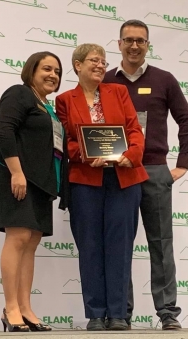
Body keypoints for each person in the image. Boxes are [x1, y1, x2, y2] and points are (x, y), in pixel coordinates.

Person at [104, 20, 188, 330]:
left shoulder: (164, 79)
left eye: (140, 41)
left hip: (155, 170)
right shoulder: (104, 81)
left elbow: (187, 121)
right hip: (118, 171)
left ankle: (168, 313)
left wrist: (182, 164)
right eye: (128, 40)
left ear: (147, 45)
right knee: (120, 244)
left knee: (160, 243)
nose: (134, 45)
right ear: (118, 44)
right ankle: (121, 313)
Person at [56, 43, 149, 331]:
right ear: (77, 65)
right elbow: (68, 140)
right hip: (86, 180)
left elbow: (134, 130)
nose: (100, 65)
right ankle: (96, 313)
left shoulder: (118, 92)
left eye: (103, 61)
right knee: (90, 246)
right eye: (94, 60)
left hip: (124, 178)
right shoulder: (64, 99)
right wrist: (85, 154)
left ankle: (118, 314)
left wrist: (129, 156)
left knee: (120, 247)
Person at [0, 51, 66, 332]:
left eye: (57, 71)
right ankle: (10, 309)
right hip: (13, 174)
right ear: (31, 70)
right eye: (46, 68)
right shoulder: (19, 94)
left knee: (31, 242)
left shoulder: (49, 108)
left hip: (40, 183)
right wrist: (17, 172)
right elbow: (5, 131)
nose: (53, 75)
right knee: (18, 236)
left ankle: (25, 307)